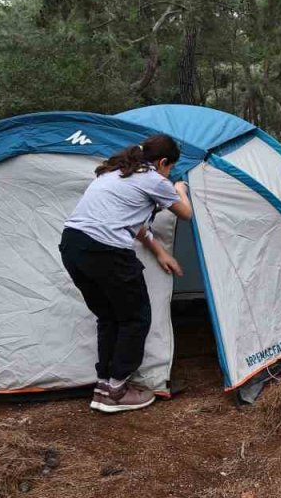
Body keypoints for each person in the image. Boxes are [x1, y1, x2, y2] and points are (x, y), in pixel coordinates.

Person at [60, 135, 193, 413]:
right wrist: (179, 188)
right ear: (163, 162)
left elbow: (132, 223)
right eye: (169, 168)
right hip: (107, 251)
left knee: (109, 317)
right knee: (136, 318)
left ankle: (104, 385)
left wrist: (159, 252)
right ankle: (117, 391)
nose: (168, 173)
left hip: (72, 245)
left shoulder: (115, 173)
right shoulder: (155, 179)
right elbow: (185, 213)